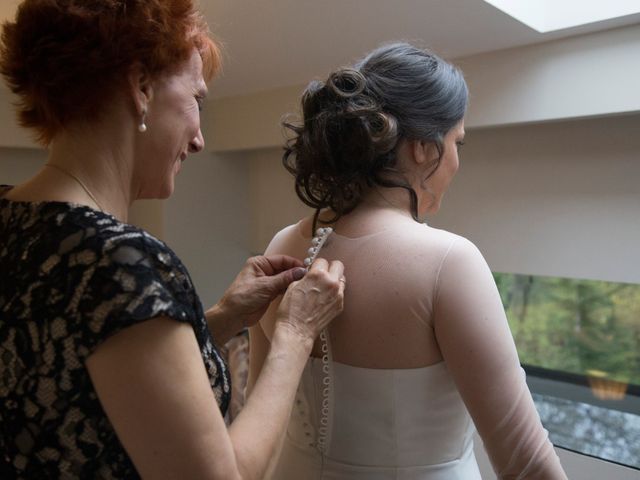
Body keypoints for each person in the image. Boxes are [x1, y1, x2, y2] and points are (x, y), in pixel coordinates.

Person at [0, 1, 345, 478]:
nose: (200, 139)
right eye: (197, 101)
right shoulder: (120, 261)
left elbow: (86, 369)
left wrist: (222, 318)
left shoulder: (17, 220)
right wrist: (294, 334)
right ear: (140, 88)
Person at [248, 43, 568, 479]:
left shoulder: (281, 245)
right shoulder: (449, 262)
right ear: (421, 148)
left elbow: (255, 428)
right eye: (456, 142)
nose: (456, 160)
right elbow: (526, 461)